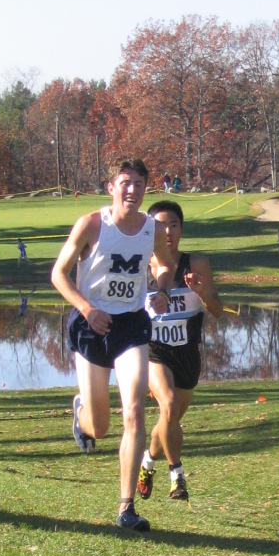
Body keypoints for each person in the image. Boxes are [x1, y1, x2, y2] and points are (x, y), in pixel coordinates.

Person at [51, 157, 174, 532]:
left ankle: (126, 508)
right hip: (92, 327)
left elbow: (164, 266)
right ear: (111, 187)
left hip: (131, 327)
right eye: (125, 182)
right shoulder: (91, 225)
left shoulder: (151, 229)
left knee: (135, 411)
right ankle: (82, 412)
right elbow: (58, 274)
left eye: (139, 183)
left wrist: (164, 291)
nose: (132, 190)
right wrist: (88, 309)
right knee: (100, 427)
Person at [137, 200, 223, 503]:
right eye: (161, 226)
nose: (168, 232)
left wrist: (200, 291)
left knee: (168, 419)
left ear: (182, 229)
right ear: (150, 231)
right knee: (169, 404)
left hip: (187, 355)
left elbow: (217, 309)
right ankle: (177, 476)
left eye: (174, 225)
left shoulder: (196, 264)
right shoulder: (139, 266)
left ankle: (147, 462)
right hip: (154, 353)